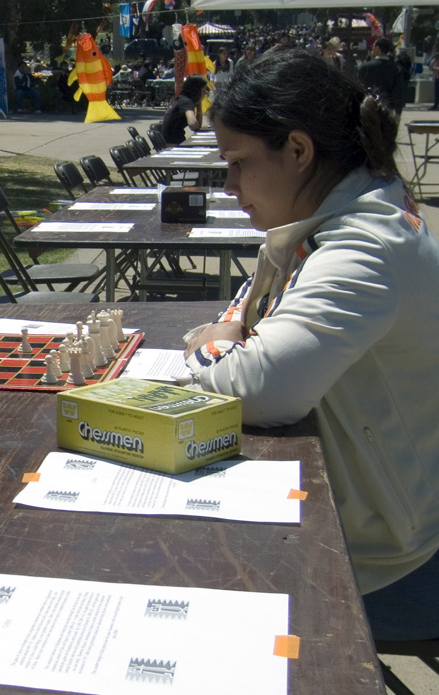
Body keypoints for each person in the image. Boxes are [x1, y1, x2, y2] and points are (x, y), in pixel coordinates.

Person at [183, 49, 439, 642]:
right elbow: (256, 298)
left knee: (196, 595)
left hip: (388, 562)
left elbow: (257, 388)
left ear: (298, 151)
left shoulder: (363, 248)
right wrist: (234, 330)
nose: (229, 187)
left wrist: (201, 344)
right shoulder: (347, 215)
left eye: (239, 164)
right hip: (387, 518)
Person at [358, 37, 405, 117]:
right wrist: (398, 112)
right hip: (387, 108)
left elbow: (359, 87)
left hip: (368, 107)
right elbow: (398, 92)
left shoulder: (364, 67)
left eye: (373, 47)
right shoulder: (395, 69)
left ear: (377, 48)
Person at [160, 74, 208, 145]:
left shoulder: (181, 98)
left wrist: (199, 104)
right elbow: (193, 124)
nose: (205, 93)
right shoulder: (186, 102)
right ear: (196, 90)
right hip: (173, 142)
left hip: (171, 139)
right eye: (204, 90)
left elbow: (198, 126)